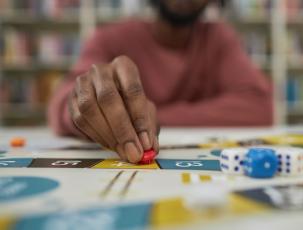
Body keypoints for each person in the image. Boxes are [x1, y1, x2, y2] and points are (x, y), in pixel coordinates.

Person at [48, 0, 273, 163]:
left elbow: (260, 107)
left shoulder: (219, 38)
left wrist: (155, 116)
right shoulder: (109, 38)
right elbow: (62, 101)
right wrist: (83, 104)